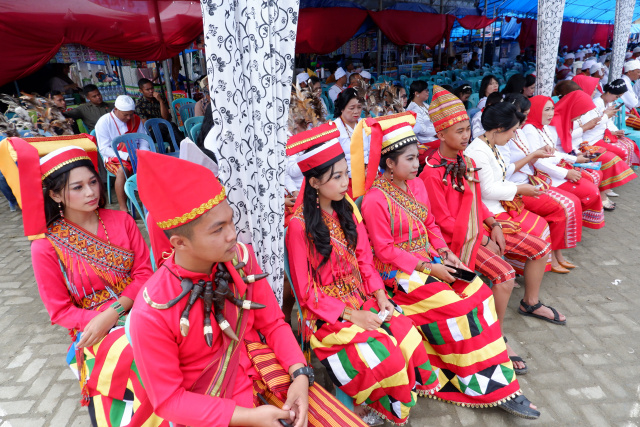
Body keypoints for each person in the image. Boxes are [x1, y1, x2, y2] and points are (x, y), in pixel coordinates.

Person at [130, 149, 360, 427]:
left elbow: (273, 324)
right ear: (179, 243)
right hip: (208, 407)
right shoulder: (152, 310)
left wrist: (300, 374)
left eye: (231, 220)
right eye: (218, 230)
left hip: (261, 371)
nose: (232, 234)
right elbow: (169, 401)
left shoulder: (241, 258)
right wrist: (250, 418)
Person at [353, 110, 540, 419]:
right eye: (410, 159)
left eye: (417, 158)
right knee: (459, 308)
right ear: (389, 164)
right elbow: (384, 251)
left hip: (430, 260)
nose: (417, 165)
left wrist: (444, 252)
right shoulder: (375, 199)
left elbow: (431, 225)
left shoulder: (416, 187)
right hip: (397, 275)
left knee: (479, 292)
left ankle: (494, 371)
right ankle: (482, 384)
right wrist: (430, 268)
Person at [286, 123, 439, 425]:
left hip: (362, 297)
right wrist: (351, 316)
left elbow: (365, 261)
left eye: (346, 173)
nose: (347, 182)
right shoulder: (298, 226)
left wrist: (381, 296)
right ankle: (367, 407)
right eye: (337, 176)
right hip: (327, 313)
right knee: (387, 354)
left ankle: (380, 401)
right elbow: (305, 291)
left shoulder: (348, 211)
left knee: (407, 334)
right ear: (314, 182)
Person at [17, 143, 161, 426]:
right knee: (140, 359)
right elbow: (60, 312)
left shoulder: (122, 221)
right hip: (92, 327)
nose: (92, 192)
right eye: (78, 187)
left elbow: (145, 275)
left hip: (142, 308)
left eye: (93, 182)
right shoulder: (45, 247)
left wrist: (113, 313)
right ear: (55, 194)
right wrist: (104, 320)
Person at [421, 86, 560, 375]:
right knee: (505, 274)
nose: (465, 136)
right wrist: (483, 235)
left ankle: (529, 303)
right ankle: (496, 336)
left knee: (537, 247)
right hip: (452, 242)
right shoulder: (432, 172)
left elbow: (475, 200)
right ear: (441, 135)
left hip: (475, 231)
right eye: (458, 131)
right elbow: (442, 221)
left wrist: (493, 224)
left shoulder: (465, 162)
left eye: (465, 130)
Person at [465, 100, 567, 324]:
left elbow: (504, 171)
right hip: (488, 215)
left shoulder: (492, 146)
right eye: (512, 131)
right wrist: (521, 189)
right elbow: (488, 189)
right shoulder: (477, 151)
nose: (514, 136)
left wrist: (533, 156)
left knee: (541, 241)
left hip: (498, 208)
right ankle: (496, 328)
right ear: (499, 128)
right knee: (534, 246)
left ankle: (530, 301)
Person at [498, 93, 583, 274]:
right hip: (515, 188)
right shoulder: (507, 134)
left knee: (569, 203)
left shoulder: (519, 130)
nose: (526, 118)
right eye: (523, 114)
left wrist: (539, 152)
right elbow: (506, 170)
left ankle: (556, 255)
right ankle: (550, 257)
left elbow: (531, 155)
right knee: (561, 207)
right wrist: (533, 156)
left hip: (527, 181)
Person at [522, 96, 609, 220]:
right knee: (587, 193)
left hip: (556, 167)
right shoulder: (530, 130)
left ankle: (574, 219)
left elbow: (552, 152)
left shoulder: (542, 127)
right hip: (544, 174)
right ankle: (571, 220)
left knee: (591, 188)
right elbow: (538, 161)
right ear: (535, 110)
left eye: (552, 109)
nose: (551, 113)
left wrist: (574, 160)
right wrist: (566, 172)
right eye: (546, 109)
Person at [551, 90, 636, 206]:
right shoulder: (557, 120)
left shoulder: (571, 116)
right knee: (604, 164)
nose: (595, 92)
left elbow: (570, 139)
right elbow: (563, 140)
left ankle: (602, 192)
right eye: (593, 89)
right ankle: (599, 196)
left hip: (577, 149)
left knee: (606, 163)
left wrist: (578, 152)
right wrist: (576, 156)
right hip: (570, 153)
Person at [94, 95, 149, 211]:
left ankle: (152, 201)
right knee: (122, 171)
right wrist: (126, 156)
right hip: (113, 156)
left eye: (131, 113)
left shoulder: (136, 119)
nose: (129, 117)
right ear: (116, 109)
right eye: (126, 114)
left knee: (153, 164)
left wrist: (144, 153)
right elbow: (104, 149)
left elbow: (143, 139)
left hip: (135, 153)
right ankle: (123, 208)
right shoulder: (104, 122)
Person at [590, 79, 640, 167]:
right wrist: (611, 131)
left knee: (630, 144)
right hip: (595, 137)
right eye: (617, 97)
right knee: (623, 150)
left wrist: (616, 131)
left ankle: (623, 170)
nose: (616, 99)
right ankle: (618, 172)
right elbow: (593, 125)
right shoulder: (596, 103)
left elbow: (609, 122)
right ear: (608, 92)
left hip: (605, 134)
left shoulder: (608, 103)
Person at [334, 88, 364, 178]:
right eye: (352, 108)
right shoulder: (335, 128)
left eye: (359, 107)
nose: (356, 111)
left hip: (367, 173)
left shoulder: (365, 124)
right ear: (342, 108)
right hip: (346, 177)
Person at [405, 80, 437, 146]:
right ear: (417, 93)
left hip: (434, 136)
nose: (428, 92)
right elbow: (422, 130)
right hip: (425, 140)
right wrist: (436, 133)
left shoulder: (426, 105)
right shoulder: (413, 109)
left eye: (428, 90)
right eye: (426, 90)